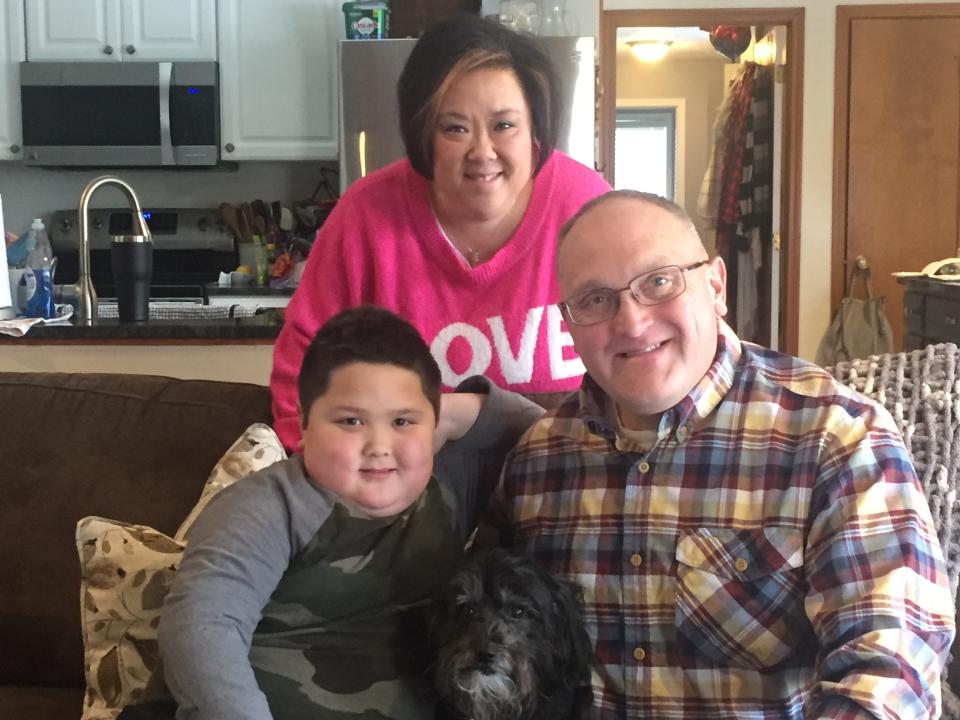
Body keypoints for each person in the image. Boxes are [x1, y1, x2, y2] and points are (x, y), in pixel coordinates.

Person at [495, 190, 956, 719]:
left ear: (715, 286)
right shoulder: (537, 463)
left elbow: (890, 671)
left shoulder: (836, 436)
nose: (631, 321)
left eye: (659, 281)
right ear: (569, 324)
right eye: (595, 299)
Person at [158, 305, 543, 720]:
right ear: (304, 423)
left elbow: (543, 429)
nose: (379, 445)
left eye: (401, 421)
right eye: (351, 421)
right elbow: (201, 630)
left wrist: (448, 413)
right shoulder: (267, 507)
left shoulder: (450, 479)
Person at [269, 15, 610, 450]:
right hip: (400, 493)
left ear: (536, 134)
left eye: (504, 125)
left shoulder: (588, 207)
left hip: (563, 483)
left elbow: (639, 350)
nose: (482, 152)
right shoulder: (364, 216)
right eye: (455, 128)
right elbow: (302, 369)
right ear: (424, 136)